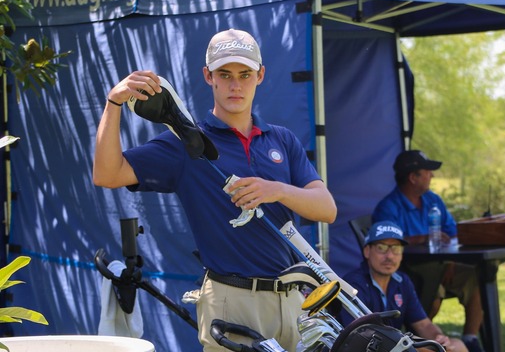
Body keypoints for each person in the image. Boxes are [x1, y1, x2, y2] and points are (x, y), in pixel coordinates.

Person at [93, 28, 337, 351]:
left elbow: (327, 208)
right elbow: (107, 174)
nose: (235, 85)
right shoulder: (185, 143)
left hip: (293, 303)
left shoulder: (282, 140)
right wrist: (114, 103)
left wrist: (275, 190)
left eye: (245, 74)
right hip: (230, 301)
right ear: (208, 76)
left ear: (260, 76)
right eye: (225, 74)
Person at [372, 150, 484, 352]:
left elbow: (452, 234)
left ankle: (470, 339)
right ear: (413, 177)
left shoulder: (433, 200)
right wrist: (421, 238)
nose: (432, 176)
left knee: (475, 277)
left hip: (442, 266)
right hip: (410, 273)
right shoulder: (388, 207)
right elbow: (386, 246)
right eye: (427, 172)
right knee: (433, 292)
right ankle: (421, 343)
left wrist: (449, 262)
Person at [339, 221, 467, 352]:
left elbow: (423, 324)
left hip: (397, 345)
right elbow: (360, 337)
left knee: (457, 346)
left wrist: (438, 337)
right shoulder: (354, 284)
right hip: (370, 347)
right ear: (367, 251)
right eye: (381, 248)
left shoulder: (402, 281)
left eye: (396, 248)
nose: (389, 256)